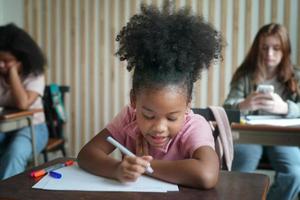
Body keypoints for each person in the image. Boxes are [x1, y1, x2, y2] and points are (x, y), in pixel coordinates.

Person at [77, 2, 223, 189]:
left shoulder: (194, 126)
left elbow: (207, 175)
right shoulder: (128, 118)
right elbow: (87, 154)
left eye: (172, 117)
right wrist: (117, 169)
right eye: (148, 115)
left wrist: (143, 166)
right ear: (134, 101)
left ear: (187, 105)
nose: (160, 127)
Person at [224, 23, 300, 200]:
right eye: (264, 48)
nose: (269, 54)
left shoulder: (296, 76)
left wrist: (286, 108)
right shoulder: (245, 74)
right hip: (250, 136)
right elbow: (227, 106)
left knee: (295, 174)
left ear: (285, 50)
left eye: (276, 48)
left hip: (283, 136)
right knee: (240, 170)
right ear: (257, 49)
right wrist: (244, 104)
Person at [0, 23, 49, 180]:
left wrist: (13, 73)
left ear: (22, 59)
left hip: (34, 127)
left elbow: (23, 104)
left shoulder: (35, 74)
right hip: (4, 126)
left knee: (15, 153)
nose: (1, 65)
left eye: (7, 61)